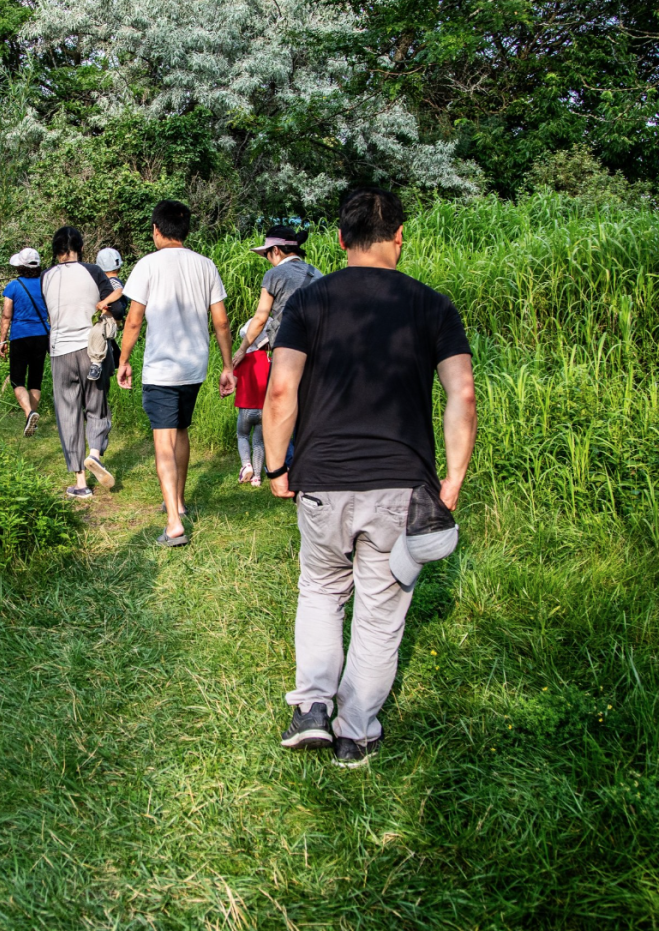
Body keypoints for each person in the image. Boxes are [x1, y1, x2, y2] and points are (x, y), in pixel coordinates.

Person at [262, 188, 477, 768]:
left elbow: (281, 390)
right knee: (381, 608)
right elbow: (463, 393)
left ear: (339, 239)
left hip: (322, 480)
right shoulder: (434, 306)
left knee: (322, 590)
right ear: (400, 236)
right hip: (401, 484)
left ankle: (311, 707)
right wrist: (452, 479)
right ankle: (355, 732)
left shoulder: (310, 301)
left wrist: (277, 465)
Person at [118, 200, 236, 546]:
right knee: (181, 430)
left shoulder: (148, 265)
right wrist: (227, 366)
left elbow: (134, 319)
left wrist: (123, 360)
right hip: (194, 366)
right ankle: (179, 504)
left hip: (162, 369)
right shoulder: (206, 265)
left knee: (163, 441)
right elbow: (222, 321)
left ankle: (173, 523)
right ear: (186, 231)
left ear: (156, 229)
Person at [41, 226, 125, 497]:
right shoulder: (93, 271)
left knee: (68, 413)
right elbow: (119, 308)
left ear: (56, 250)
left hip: (60, 352)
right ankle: (95, 454)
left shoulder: (46, 277)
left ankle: (80, 483)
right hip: (93, 350)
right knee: (96, 406)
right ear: (80, 246)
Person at [232, 224, 323, 367]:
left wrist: (242, 349)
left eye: (266, 254)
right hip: (319, 344)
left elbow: (260, 318)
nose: (267, 259)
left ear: (275, 250)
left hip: (289, 346)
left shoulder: (274, 274)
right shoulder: (317, 273)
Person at [0, 247, 49, 437]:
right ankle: (32, 422)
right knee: (35, 379)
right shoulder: (45, 285)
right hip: (42, 336)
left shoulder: (13, 286)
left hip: (20, 335)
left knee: (17, 379)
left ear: (20, 266)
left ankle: (29, 413)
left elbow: (6, 316)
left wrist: (1, 340)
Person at [234, 320, 270, 487]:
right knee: (259, 442)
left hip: (246, 409)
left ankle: (246, 465)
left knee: (242, 435)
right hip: (264, 410)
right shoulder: (271, 360)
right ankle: (256, 477)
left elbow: (233, 381)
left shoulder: (242, 358)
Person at [86, 248, 127, 381]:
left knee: (98, 332)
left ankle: (96, 364)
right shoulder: (113, 280)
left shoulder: (112, 282)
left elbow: (119, 291)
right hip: (111, 321)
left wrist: (105, 301)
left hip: (109, 321)